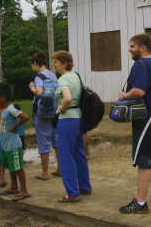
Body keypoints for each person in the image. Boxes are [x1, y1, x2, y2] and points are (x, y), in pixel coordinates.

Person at [118, 34, 151, 214]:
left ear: (142, 47)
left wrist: (125, 95)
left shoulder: (140, 64)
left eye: (132, 46)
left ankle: (140, 203)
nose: (129, 49)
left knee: (145, 159)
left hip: (148, 115)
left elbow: (139, 91)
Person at [52, 50, 91, 203]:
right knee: (79, 153)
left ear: (63, 62)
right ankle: (84, 186)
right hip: (78, 118)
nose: (54, 65)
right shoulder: (76, 76)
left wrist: (62, 108)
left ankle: (72, 193)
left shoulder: (62, 80)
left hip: (67, 119)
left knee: (66, 156)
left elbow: (67, 98)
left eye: (55, 62)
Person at [0, 83, 30, 201]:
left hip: (14, 145)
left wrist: (16, 126)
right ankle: (14, 187)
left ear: (3, 97)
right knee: (11, 167)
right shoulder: (3, 110)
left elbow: (25, 117)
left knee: (18, 168)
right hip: (6, 146)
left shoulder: (11, 109)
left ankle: (24, 190)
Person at [29, 52, 61, 180]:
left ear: (36, 63)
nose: (32, 68)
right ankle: (60, 169)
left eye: (32, 65)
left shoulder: (39, 77)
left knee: (43, 142)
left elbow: (40, 92)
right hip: (54, 112)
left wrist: (32, 87)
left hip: (42, 114)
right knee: (57, 140)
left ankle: (45, 172)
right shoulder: (53, 76)